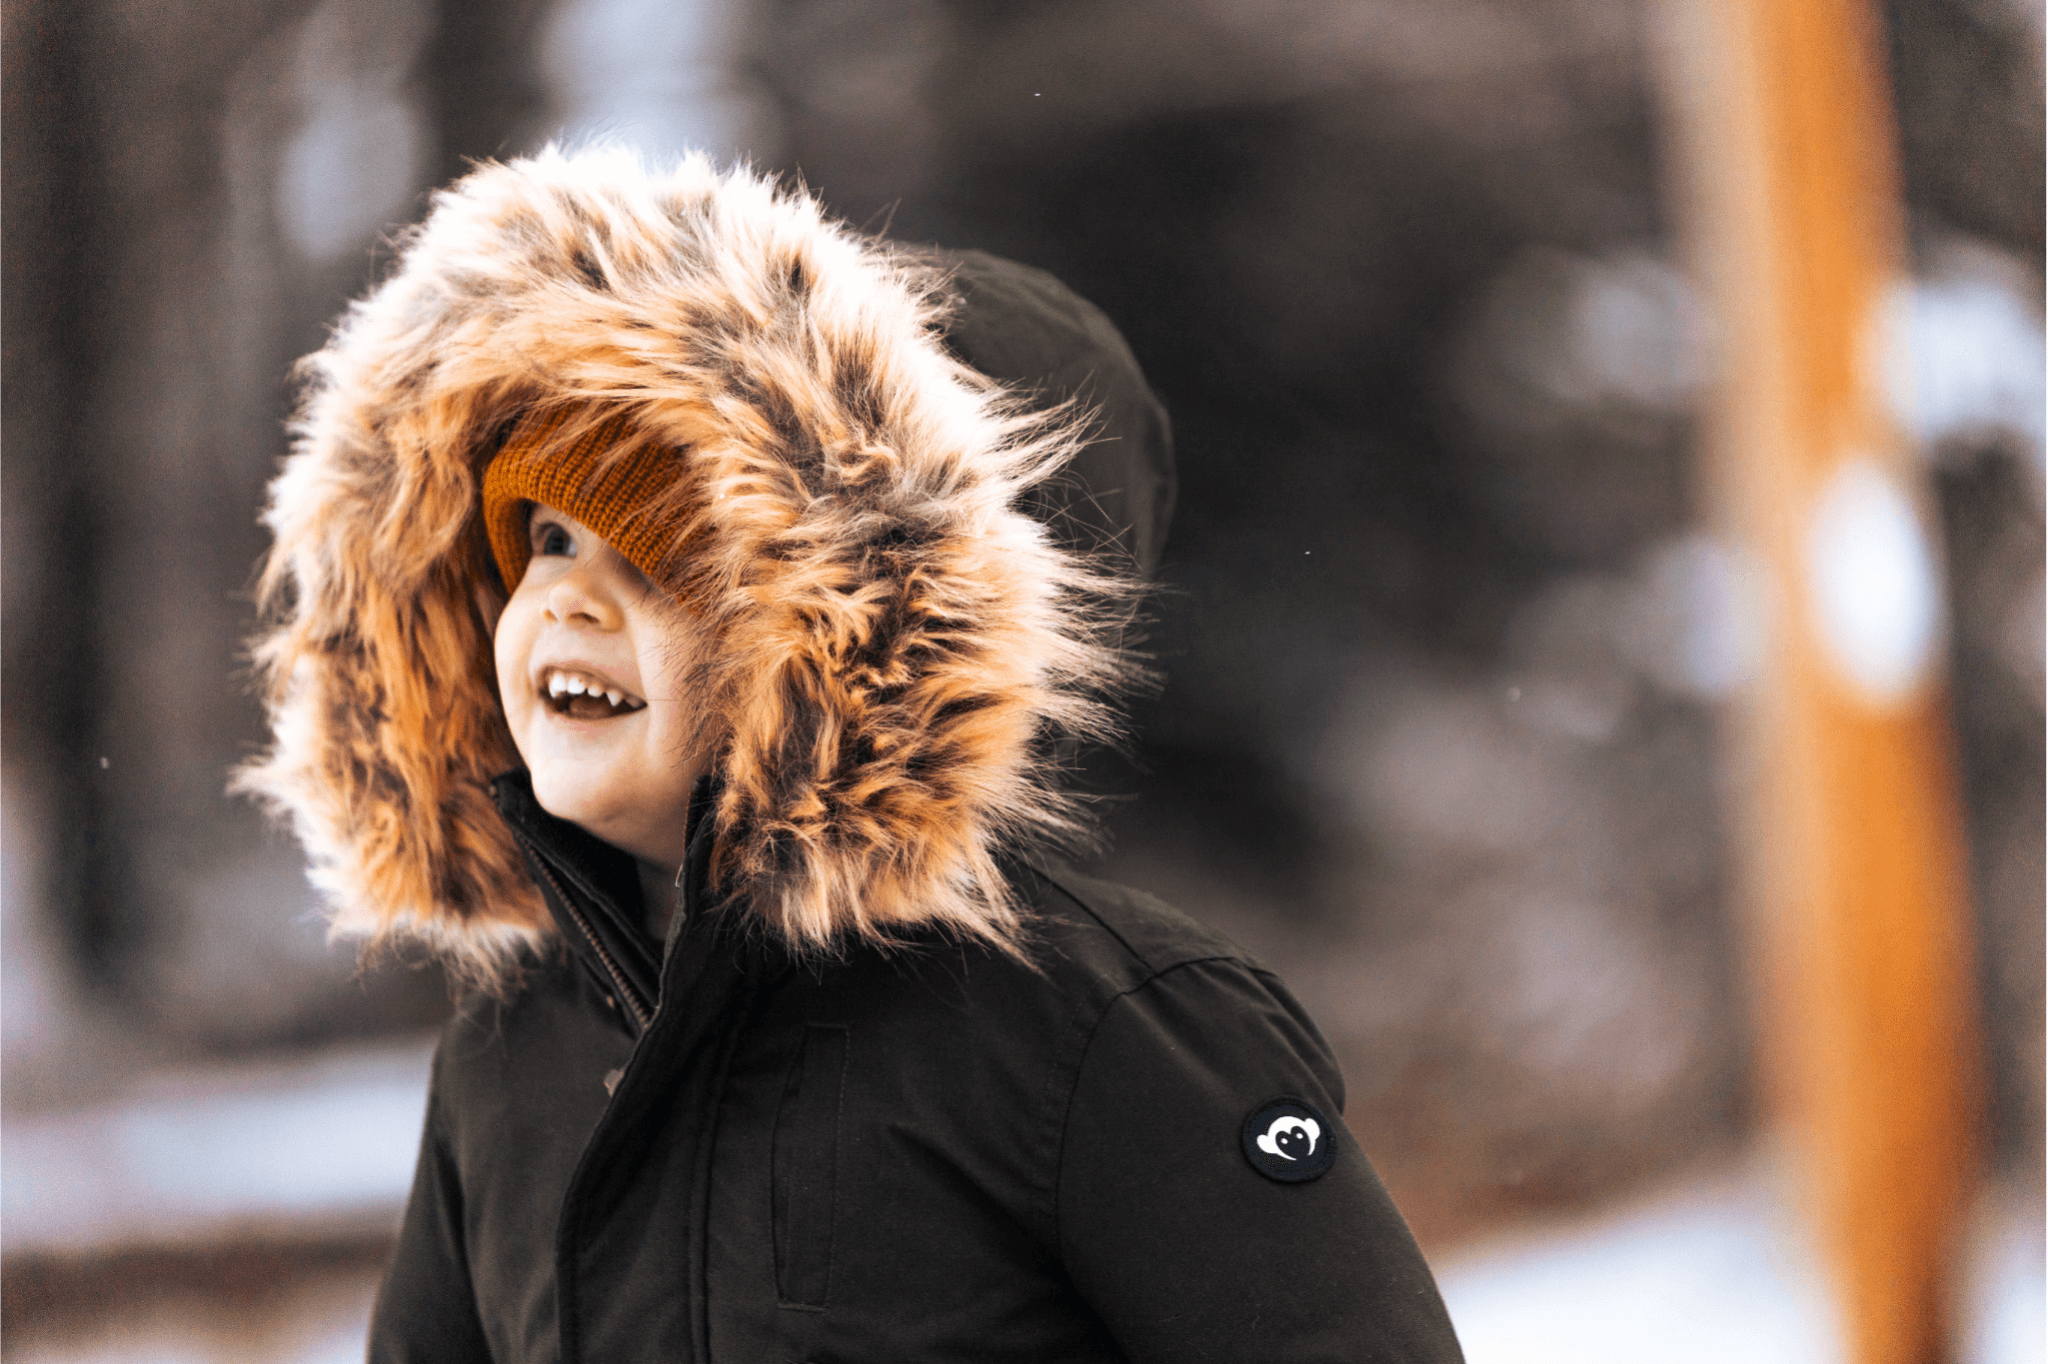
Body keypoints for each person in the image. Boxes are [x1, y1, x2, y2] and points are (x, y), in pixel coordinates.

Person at [239, 144, 1464, 1363]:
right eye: (546, 538)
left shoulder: (1089, 1027)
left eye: (662, 552)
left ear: (846, 638)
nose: (564, 596)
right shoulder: (509, 1060)